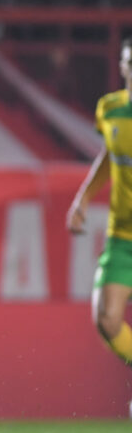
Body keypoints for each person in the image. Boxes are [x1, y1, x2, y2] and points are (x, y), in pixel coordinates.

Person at [67, 37, 132, 388]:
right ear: (123, 68)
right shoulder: (110, 109)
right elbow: (111, 155)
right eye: (131, 64)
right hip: (123, 237)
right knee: (106, 318)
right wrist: (84, 198)